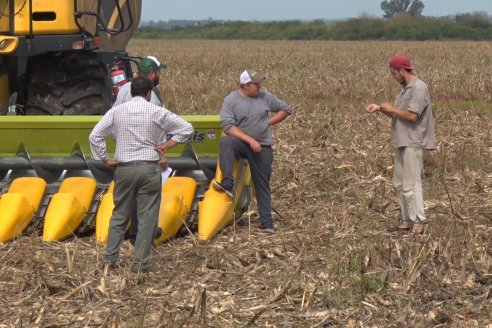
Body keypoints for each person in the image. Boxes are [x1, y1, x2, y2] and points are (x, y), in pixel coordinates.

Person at [89, 76, 193, 272]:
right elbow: (186, 129)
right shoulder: (157, 111)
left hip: (124, 169)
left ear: (130, 92)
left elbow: (95, 136)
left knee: (119, 214)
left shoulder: (116, 112)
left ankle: (110, 259)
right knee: (147, 217)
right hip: (149, 168)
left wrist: (105, 159)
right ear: (149, 93)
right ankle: (140, 264)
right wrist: (166, 146)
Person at [214, 69, 292, 233]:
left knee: (262, 183)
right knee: (226, 143)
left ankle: (267, 223)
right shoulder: (231, 100)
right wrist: (249, 140)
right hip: (241, 142)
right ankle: (227, 182)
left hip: (262, 145)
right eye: (256, 84)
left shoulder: (264, 96)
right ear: (245, 85)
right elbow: (228, 126)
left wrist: (268, 123)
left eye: (259, 83)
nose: (259, 86)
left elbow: (285, 109)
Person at [365, 55, 436, 235]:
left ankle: (419, 220)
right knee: (399, 183)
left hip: (414, 141)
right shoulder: (404, 89)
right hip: (401, 141)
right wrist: (381, 109)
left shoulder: (419, 88)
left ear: (403, 71)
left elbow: (413, 116)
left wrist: (392, 108)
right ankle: (407, 219)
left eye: (394, 73)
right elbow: (398, 114)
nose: (393, 76)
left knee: (411, 184)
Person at [113, 55, 168, 245]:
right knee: (149, 199)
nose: (160, 74)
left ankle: (129, 237)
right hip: (146, 156)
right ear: (153, 73)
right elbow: (156, 126)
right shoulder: (151, 96)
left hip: (125, 156)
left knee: (127, 202)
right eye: (159, 71)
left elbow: (112, 117)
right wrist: (161, 153)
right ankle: (144, 233)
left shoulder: (123, 90)